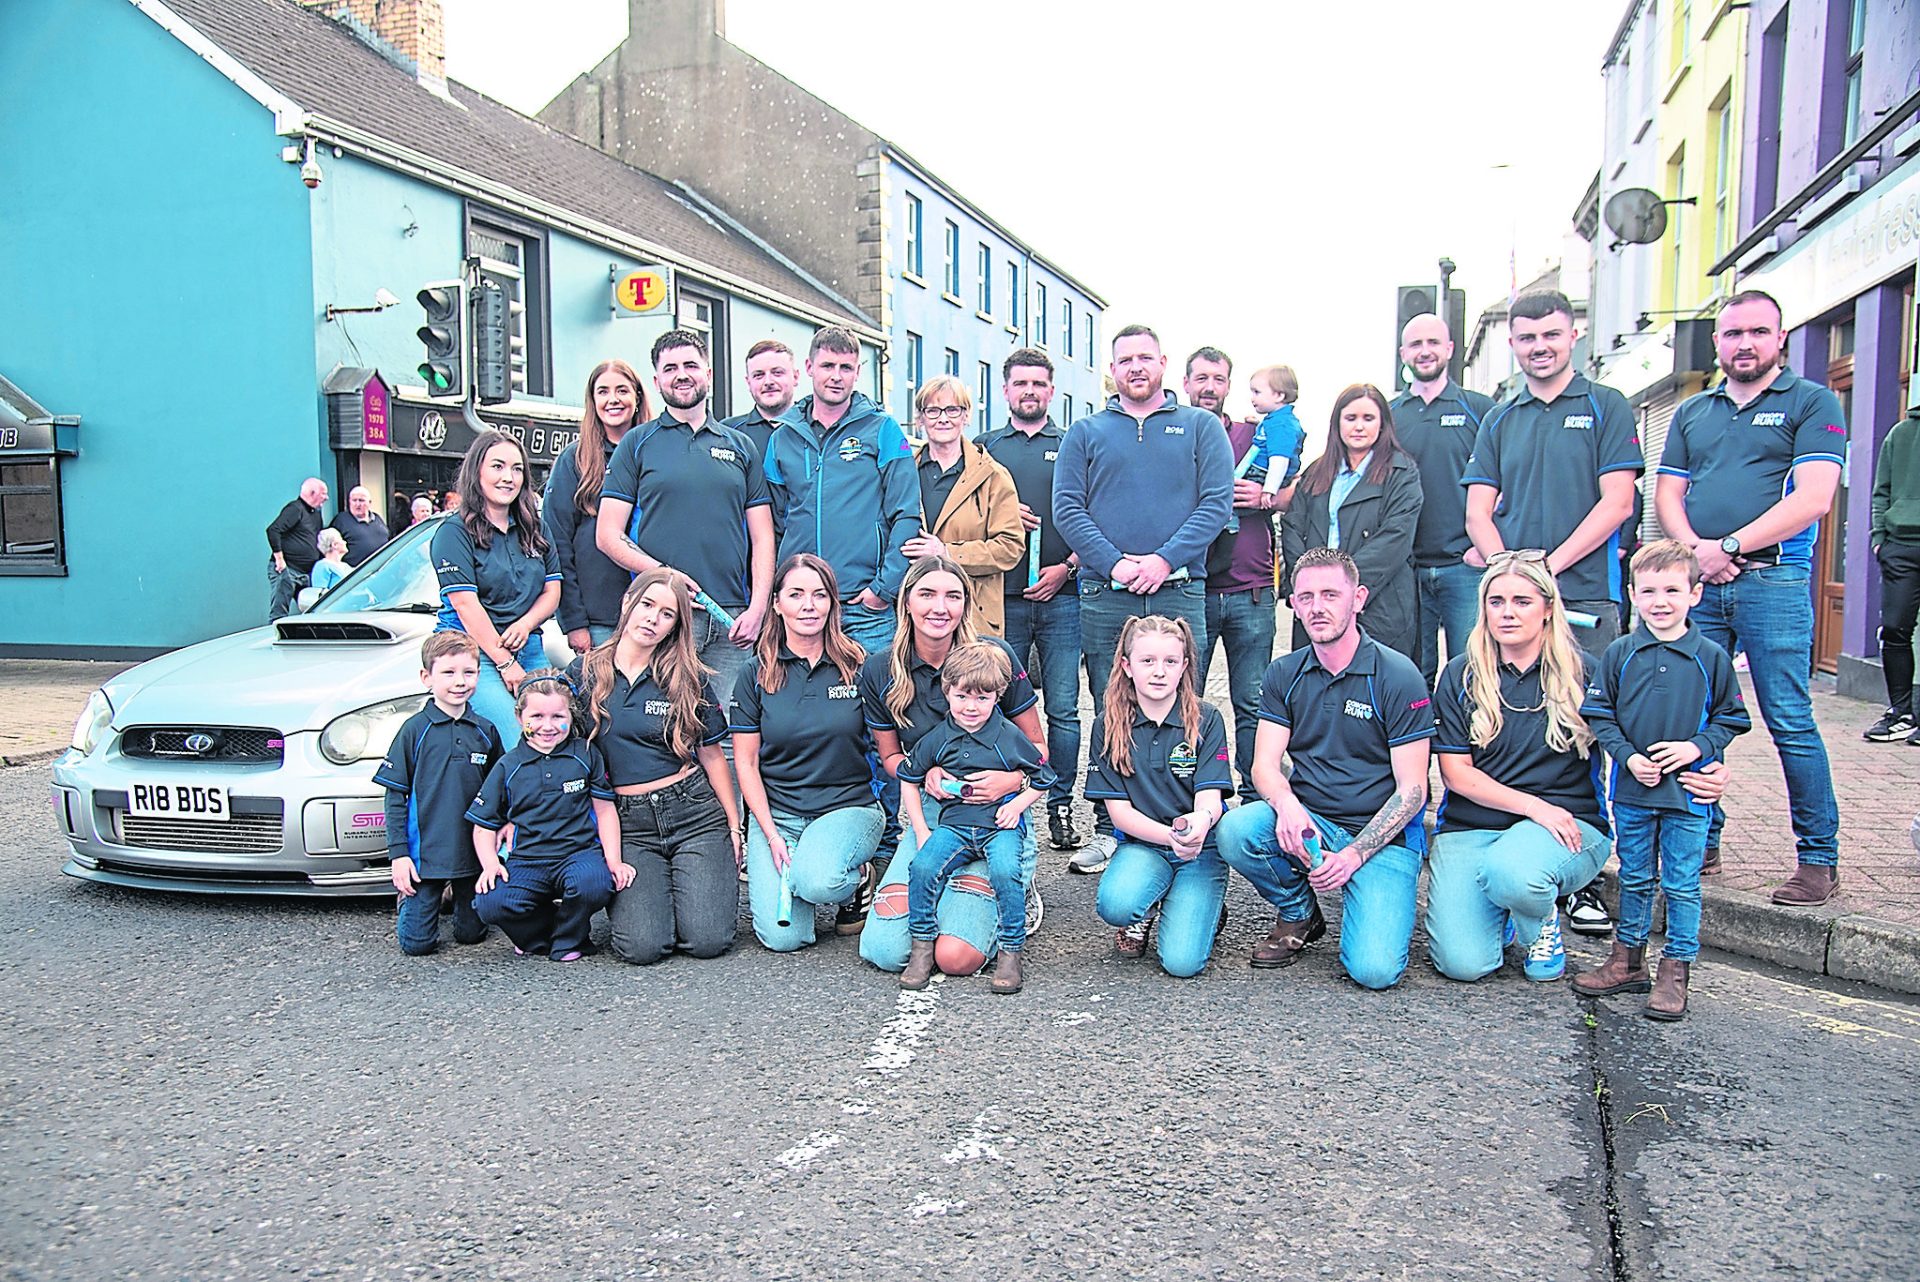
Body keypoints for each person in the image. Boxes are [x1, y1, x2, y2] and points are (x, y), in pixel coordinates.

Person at [1654, 289, 1846, 904]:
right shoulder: (1692, 413)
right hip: (1702, 584)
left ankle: (1818, 858)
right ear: (1717, 342)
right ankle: (1700, 840)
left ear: (1780, 338)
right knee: (1692, 715)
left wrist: (1728, 546)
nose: (1746, 344)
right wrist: (1697, 555)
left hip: (1774, 583)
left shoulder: (1813, 402)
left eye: (1759, 332)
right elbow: (1667, 495)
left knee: (1789, 720)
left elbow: (1814, 497)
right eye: (1734, 333)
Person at [1053, 323, 1233, 874]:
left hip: (1179, 590)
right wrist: (1117, 563)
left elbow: (1216, 504)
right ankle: (1114, 826)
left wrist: (1162, 561)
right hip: (1106, 595)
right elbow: (1068, 509)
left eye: (1145, 358)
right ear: (1113, 368)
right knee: (1113, 702)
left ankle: (1189, 820)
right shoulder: (1085, 433)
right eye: (1125, 359)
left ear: (1163, 364)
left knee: (1182, 702)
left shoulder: (1200, 428)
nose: (1136, 367)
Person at [1214, 548, 1434, 989]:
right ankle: (1300, 914)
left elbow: (1413, 791)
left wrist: (1354, 856)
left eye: (1330, 594)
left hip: (1381, 835)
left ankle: (1363, 894)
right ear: (1292, 604)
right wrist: (1288, 806)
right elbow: (1264, 766)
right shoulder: (1284, 673)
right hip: (1314, 822)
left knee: (1373, 972)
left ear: (1359, 599)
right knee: (1237, 830)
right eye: (1306, 596)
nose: (1317, 607)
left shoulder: (1396, 674)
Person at [1579, 541, 1752, 1020]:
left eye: (1673, 589)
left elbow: (1731, 719)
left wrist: (1697, 748)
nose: (1661, 601)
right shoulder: (1619, 654)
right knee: (1634, 876)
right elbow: (1599, 715)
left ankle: (1676, 968)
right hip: (1633, 792)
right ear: (1632, 594)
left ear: (1695, 594)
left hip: (1689, 795)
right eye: (1649, 590)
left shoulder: (1711, 656)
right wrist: (1629, 758)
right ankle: (1627, 958)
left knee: (1681, 883)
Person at [1424, 552, 1610, 983]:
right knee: (1463, 965)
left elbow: (1632, 742)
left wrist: (1701, 764)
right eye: (1496, 601)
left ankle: (1539, 919)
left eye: (1522, 601)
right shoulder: (1461, 675)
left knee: (1514, 871)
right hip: (1473, 827)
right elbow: (1457, 775)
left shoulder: (1586, 673)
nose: (1507, 612)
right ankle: (1510, 903)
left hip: (1564, 826)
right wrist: (1532, 806)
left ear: (1548, 609)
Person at [859, 556, 1047, 976]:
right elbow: (890, 759)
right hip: (935, 812)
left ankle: (1015, 885)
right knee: (886, 951)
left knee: (955, 958)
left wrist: (1011, 780)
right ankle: (955, 895)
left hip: (1000, 812)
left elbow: (1037, 747)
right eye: (927, 594)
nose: (939, 607)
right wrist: (923, 772)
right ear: (906, 601)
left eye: (953, 596)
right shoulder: (879, 670)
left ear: (966, 603)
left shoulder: (994, 655)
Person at [596, 330, 774, 704]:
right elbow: (608, 535)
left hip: (732, 619)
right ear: (657, 379)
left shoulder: (740, 446)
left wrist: (757, 609)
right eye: (670, 368)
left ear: (709, 373)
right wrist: (667, 577)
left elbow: (763, 538)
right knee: (661, 730)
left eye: (691, 365)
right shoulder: (637, 443)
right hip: (662, 614)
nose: (682, 374)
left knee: (728, 734)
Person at [575, 571, 742, 965]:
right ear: (627, 603)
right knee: (643, 947)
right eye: (647, 605)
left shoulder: (688, 678)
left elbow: (713, 754)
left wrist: (734, 825)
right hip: (627, 822)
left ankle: (689, 890)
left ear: (676, 626)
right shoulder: (585, 674)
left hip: (692, 812)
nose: (653, 619)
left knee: (708, 941)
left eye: (667, 614)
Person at [1464, 290, 1640, 652]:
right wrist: (1509, 576)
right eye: (1527, 338)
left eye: (1551, 335)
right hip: (1516, 603)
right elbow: (1476, 514)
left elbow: (1619, 503)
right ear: (1512, 343)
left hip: (1587, 595)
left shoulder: (1607, 405)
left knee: (1586, 706)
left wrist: (1546, 569)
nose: (1539, 347)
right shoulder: (1498, 420)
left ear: (1573, 336)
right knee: (1512, 705)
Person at [729, 553, 885, 952]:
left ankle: (857, 876)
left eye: (819, 595)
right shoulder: (755, 673)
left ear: (833, 603)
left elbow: (890, 744)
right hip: (780, 816)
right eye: (796, 594)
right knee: (784, 938)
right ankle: (806, 870)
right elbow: (745, 762)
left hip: (847, 808)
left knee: (818, 880)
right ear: (777, 604)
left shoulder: (858, 664)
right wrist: (768, 833)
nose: (808, 605)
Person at [897, 642, 1056, 995]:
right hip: (954, 825)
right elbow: (908, 777)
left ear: (998, 696)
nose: (971, 707)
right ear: (948, 692)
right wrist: (921, 829)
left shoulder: (1008, 736)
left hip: (999, 825)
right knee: (923, 866)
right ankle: (922, 944)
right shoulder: (937, 738)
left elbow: (1045, 777)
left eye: (983, 699)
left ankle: (1010, 949)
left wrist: (1016, 805)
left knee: (1004, 872)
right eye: (963, 697)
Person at [981, 348, 1086, 852]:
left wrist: (1065, 569)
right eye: (1019, 383)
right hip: (1001, 601)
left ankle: (1060, 802)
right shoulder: (982, 448)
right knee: (999, 704)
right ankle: (1000, 797)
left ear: (1051, 391)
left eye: (1038, 384)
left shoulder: (1072, 445)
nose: (1029, 392)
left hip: (1063, 597)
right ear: (1005, 391)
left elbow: (1095, 518)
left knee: (1063, 709)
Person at [1088, 615, 1233, 977]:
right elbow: (1119, 814)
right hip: (1145, 846)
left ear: (1184, 666)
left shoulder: (1207, 718)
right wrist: (1169, 836)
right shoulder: (1107, 724)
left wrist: (1198, 823)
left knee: (1182, 964)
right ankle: (1148, 906)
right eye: (1147, 661)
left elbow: (1211, 797)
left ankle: (1200, 905)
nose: (1159, 671)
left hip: (1200, 850)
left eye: (1170, 662)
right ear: (1127, 665)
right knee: (1115, 904)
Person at [765, 326, 922, 654]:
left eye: (845, 368)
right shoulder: (782, 438)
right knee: (804, 700)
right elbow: (774, 523)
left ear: (857, 373)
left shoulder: (883, 429)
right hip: (802, 608)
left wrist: (883, 589)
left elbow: (906, 515)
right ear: (809, 368)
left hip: (865, 610)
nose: (836, 376)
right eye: (827, 366)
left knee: (875, 702)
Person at [467, 670, 633, 961]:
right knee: (490, 902)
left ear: (570, 716)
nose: (548, 726)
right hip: (528, 859)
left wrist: (614, 861)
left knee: (594, 883)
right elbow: (483, 826)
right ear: (520, 718)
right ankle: (537, 935)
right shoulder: (509, 765)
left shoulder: (585, 753)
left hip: (577, 853)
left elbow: (604, 811)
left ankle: (572, 939)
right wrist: (490, 864)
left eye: (558, 717)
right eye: (536, 717)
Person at [1187, 348, 1282, 811]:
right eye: (1200, 378)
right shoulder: (1174, 435)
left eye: (1218, 379)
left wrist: (1269, 497)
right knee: (1186, 703)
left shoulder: (1255, 433)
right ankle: (1189, 795)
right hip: (1192, 590)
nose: (1209, 386)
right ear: (1185, 383)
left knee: (1253, 702)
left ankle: (1255, 795)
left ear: (1229, 386)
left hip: (1252, 589)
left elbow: (1303, 487)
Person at [374, 631, 504, 956]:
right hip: (425, 858)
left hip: (472, 855)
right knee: (417, 945)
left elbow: (502, 788)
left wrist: (504, 828)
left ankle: (457, 902)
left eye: (468, 672)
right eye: (448, 673)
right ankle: (414, 900)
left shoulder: (485, 731)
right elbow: (394, 796)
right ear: (426, 677)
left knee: (471, 935)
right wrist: (398, 856)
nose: (459, 682)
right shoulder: (414, 731)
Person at [430, 431, 562, 747]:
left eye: (517, 469)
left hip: (527, 647)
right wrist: (506, 663)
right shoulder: (453, 532)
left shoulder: (536, 527)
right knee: (521, 738)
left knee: (554, 735)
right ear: (477, 472)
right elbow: (465, 605)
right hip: (472, 653)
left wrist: (525, 624)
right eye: (498, 467)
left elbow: (552, 590)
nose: (509, 477)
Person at [1279, 384, 1423, 660]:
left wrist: (1344, 589)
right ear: (1337, 423)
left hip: (1378, 605)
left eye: (1368, 418)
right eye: (1351, 418)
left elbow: (1396, 536)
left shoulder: (1402, 472)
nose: (1359, 426)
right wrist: (1307, 584)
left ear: (1382, 425)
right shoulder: (1316, 472)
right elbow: (1293, 526)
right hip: (1317, 604)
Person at [1391, 312, 1496, 686]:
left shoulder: (1481, 409)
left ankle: (1467, 744)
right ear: (1403, 352)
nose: (1425, 351)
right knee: (1411, 673)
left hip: (1465, 567)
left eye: (1433, 343)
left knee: (1470, 670)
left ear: (1450, 349)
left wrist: (1485, 546)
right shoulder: (1389, 416)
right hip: (1405, 570)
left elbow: (1506, 482)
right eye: (1416, 344)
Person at [899, 374, 1024, 637]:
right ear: (920, 419)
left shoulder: (993, 476)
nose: (943, 418)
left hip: (972, 616)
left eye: (952, 410)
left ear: (966, 416)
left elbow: (1010, 547)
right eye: (932, 410)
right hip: (915, 616)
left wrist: (946, 552)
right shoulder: (903, 474)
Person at [545, 359, 653, 654]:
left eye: (622, 390)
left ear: (638, 397)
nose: (613, 399)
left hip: (656, 612)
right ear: (593, 401)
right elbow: (557, 544)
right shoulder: (574, 460)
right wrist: (573, 621)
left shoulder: (658, 454)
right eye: (603, 392)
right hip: (598, 620)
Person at [1866, 407, 1920, 744]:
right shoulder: (1901, 433)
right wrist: (1879, 539)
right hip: (1900, 545)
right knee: (1896, 629)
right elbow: (1881, 490)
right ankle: (1900, 713)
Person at [1238, 364, 1307, 529]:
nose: (1252, 398)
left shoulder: (1282, 426)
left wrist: (1269, 490)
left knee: (1231, 498)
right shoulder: (1274, 421)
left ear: (1278, 395)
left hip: (1264, 474)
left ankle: (1230, 525)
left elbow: (1279, 460)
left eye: (1257, 392)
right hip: (1262, 472)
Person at [723, 338, 802, 474]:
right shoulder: (728, 434)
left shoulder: (813, 430)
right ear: (748, 382)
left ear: (795, 377)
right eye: (758, 375)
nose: (768, 382)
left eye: (777, 373)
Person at [266, 476, 328, 620]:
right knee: (279, 612)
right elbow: (273, 530)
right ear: (312, 493)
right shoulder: (295, 509)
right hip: (288, 570)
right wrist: (280, 560)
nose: (326, 497)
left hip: (306, 573)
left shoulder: (315, 514)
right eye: (323, 493)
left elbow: (316, 539)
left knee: (313, 610)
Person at [329, 485, 390, 567]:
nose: (357, 504)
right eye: (354, 500)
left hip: (381, 570)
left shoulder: (377, 519)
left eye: (361, 500)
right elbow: (329, 549)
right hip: (355, 573)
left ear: (369, 503)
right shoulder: (341, 520)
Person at [309, 528, 352, 593]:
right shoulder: (322, 566)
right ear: (334, 545)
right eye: (341, 539)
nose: (345, 542)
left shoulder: (346, 566)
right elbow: (320, 595)